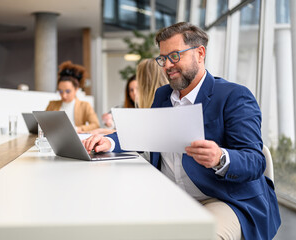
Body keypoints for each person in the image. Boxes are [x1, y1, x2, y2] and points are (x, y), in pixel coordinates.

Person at [82, 22, 280, 240]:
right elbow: (143, 132)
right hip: (170, 196)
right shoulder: (163, 96)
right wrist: (109, 142)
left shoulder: (234, 96)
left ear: (200, 53)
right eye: (163, 58)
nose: (167, 65)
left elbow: (255, 160)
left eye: (175, 56)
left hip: (223, 199)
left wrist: (221, 157)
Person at [46, 61, 100, 133]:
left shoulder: (85, 106)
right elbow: (43, 123)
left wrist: (79, 129)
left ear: (76, 89)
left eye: (68, 91)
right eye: (61, 91)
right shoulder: (52, 104)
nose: (64, 95)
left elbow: (96, 124)